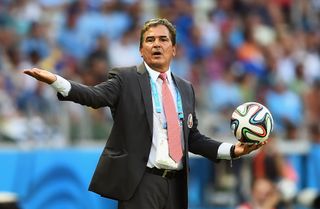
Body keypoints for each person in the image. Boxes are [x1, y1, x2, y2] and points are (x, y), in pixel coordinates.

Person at [24, 18, 266, 209]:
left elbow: (192, 138)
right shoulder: (125, 79)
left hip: (176, 186)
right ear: (141, 50)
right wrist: (57, 81)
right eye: (150, 40)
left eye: (163, 39)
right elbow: (94, 97)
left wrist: (233, 150)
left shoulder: (185, 88)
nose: (156, 44)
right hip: (141, 183)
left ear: (174, 48)